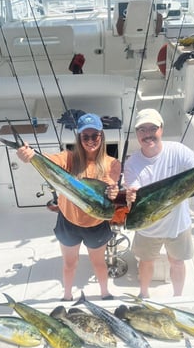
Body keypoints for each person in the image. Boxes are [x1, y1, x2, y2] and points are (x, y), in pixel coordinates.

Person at [124, 108, 194, 298]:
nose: (148, 134)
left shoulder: (178, 151)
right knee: (145, 261)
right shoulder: (132, 163)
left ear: (161, 129)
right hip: (148, 227)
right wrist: (130, 196)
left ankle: (178, 297)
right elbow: (133, 192)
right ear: (136, 134)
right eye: (142, 130)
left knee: (177, 262)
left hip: (178, 225)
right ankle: (143, 294)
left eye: (152, 128)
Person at [16, 113, 121, 301]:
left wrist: (113, 192)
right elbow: (49, 161)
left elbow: (109, 186)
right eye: (85, 136)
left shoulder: (112, 163)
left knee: (98, 263)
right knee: (69, 264)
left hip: (96, 225)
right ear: (79, 138)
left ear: (101, 136)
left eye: (94, 135)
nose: (90, 140)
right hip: (68, 222)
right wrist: (30, 156)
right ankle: (67, 295)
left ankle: (105, 292)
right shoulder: (69, 158)